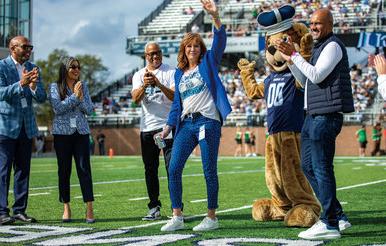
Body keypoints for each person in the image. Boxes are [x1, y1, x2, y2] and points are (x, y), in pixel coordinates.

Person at [276, 8, 354, 240]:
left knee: (321, 168)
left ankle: (329, 223)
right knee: (308, 167)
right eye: (311, 23)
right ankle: (338, 216)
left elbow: (318, 75)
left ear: (329, 24)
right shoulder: (319, 47)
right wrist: (291, 60)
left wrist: (297, 55)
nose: (313, 27)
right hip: (312, 115)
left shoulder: (333, 46)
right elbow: (305, 80)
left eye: (318, 23)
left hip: (326, 116)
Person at [158, 0, 231, 232]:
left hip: (208, 122)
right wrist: (168, 127)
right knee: (174, 167)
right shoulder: (179, 74)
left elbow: (219, 41)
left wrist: (215, 17)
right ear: (184, 50)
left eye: (196, 46)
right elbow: (177, 106)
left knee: (208, 169)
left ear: (201, 49)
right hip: (186, 125)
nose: (192, 50)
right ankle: (177, 215)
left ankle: (212, 218)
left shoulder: (208, 63)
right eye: (189, 47)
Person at [0, 36, 46, 225]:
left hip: (26, 128)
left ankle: (20, 210)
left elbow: (42, 97)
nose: (29, 50)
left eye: (30, 47)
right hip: (5, 127)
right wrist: (21, 84)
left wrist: (34, 86)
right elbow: (1, 92)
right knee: (3, 172)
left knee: (23, 171)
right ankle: (2, 212)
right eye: (25, 47)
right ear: (13, 48)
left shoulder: (34, 67)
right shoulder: (2, 66)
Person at [131, 41, 175, 221]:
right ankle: (154, 206)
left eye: (158, 53)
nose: (155, 56)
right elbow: (135, 99)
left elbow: (174, 96)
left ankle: (176, 208)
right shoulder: (138, 75)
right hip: (148, 129)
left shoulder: (170, 71)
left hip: (166, 127)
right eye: (151, 54)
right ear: (145, 56)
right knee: (150, 169)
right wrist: (145, 85)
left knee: (172, 168)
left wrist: (158, 84)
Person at [49, 56, 95, 223]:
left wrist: (80, 97)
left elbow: (89, 110)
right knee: (64, 171)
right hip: (61, 135)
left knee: (84, 170)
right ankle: (66, 207)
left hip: (81, 132)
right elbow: (58, 108)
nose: (76, 70)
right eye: (73, 67)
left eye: (78, 67)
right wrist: (75, 97)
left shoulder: (83, 86)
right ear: (65, 69)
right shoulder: (54, 87)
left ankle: (89, 207)